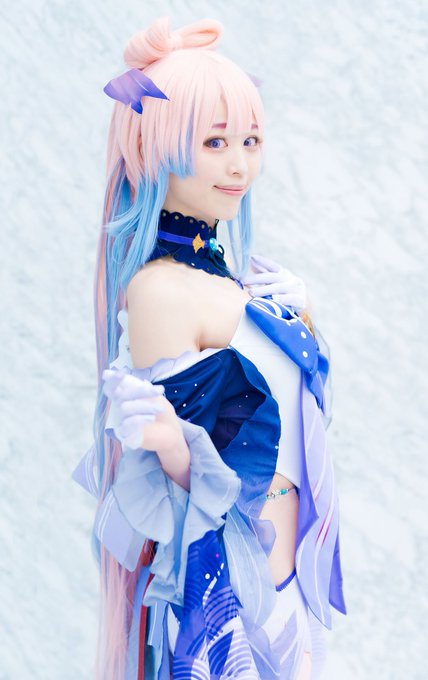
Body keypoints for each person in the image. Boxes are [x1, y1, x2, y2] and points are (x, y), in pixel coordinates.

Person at [72, 15, 346, 680]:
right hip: (226, 599)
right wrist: (170, 445)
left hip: (288, 588)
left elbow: (302, 426)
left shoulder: (243, 282)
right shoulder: (160, 292)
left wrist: (300, 316)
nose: (239, 164)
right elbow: (176, 496)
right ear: (153, 147)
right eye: (215, 141)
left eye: (250, 140)